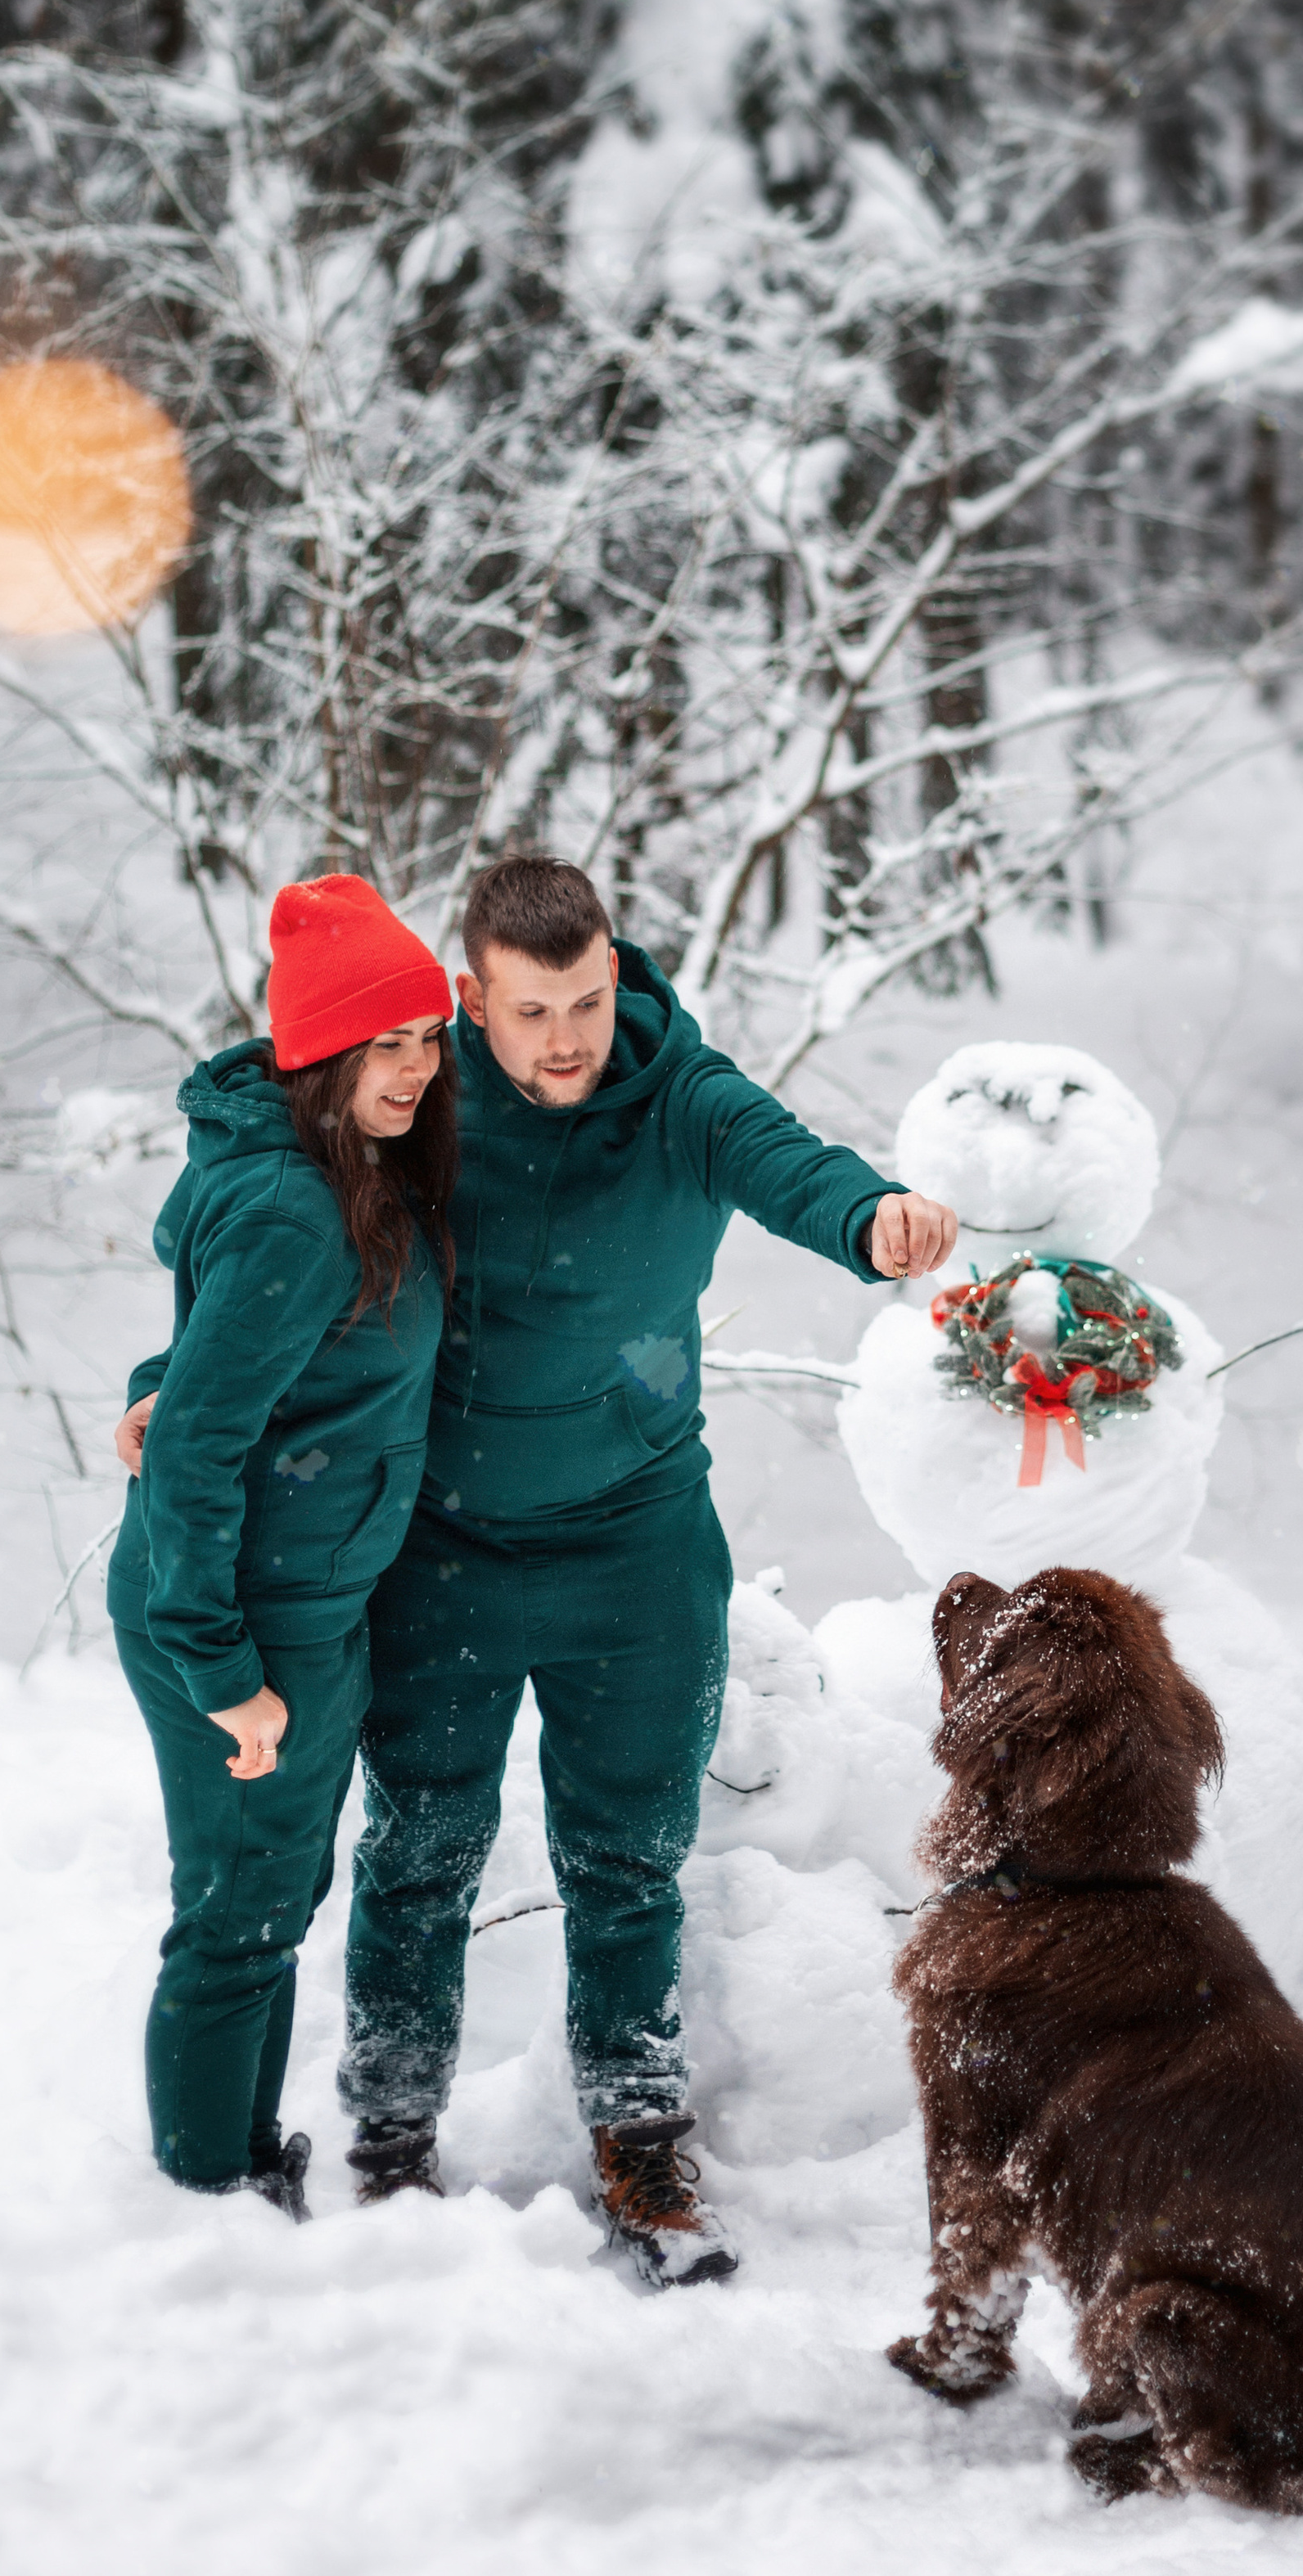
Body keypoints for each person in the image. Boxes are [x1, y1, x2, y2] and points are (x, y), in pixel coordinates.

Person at [334, 854, 958, 2281]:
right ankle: (387, 2135)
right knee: (418, 1851)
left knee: (627, 1865)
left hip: (636, 1546)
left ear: (622, 975)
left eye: (592, 1000)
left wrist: (877, 1219)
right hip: (446, 1552)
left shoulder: (679, 1093)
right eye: (533, 1008)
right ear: (470, 998)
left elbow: (790, 1162)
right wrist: (162, 1381)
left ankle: (639, 2135)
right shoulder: (417, 1102)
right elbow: (270, 1240)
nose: (568, 1038)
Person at [107, 876, 454, 2217]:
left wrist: (162, 1380)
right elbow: (196, 1445)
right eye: (388, 1042)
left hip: (297, 1594)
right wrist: (219, 1668)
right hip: (244, 1614)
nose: (418, 1069)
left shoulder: (331, 1175)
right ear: (316, 1052)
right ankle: (209, 2196)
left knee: (265, 1898)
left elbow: (204, 1371)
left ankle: (245, 2161)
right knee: (239, 1914)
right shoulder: (297, 1213)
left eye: (428, 1037)